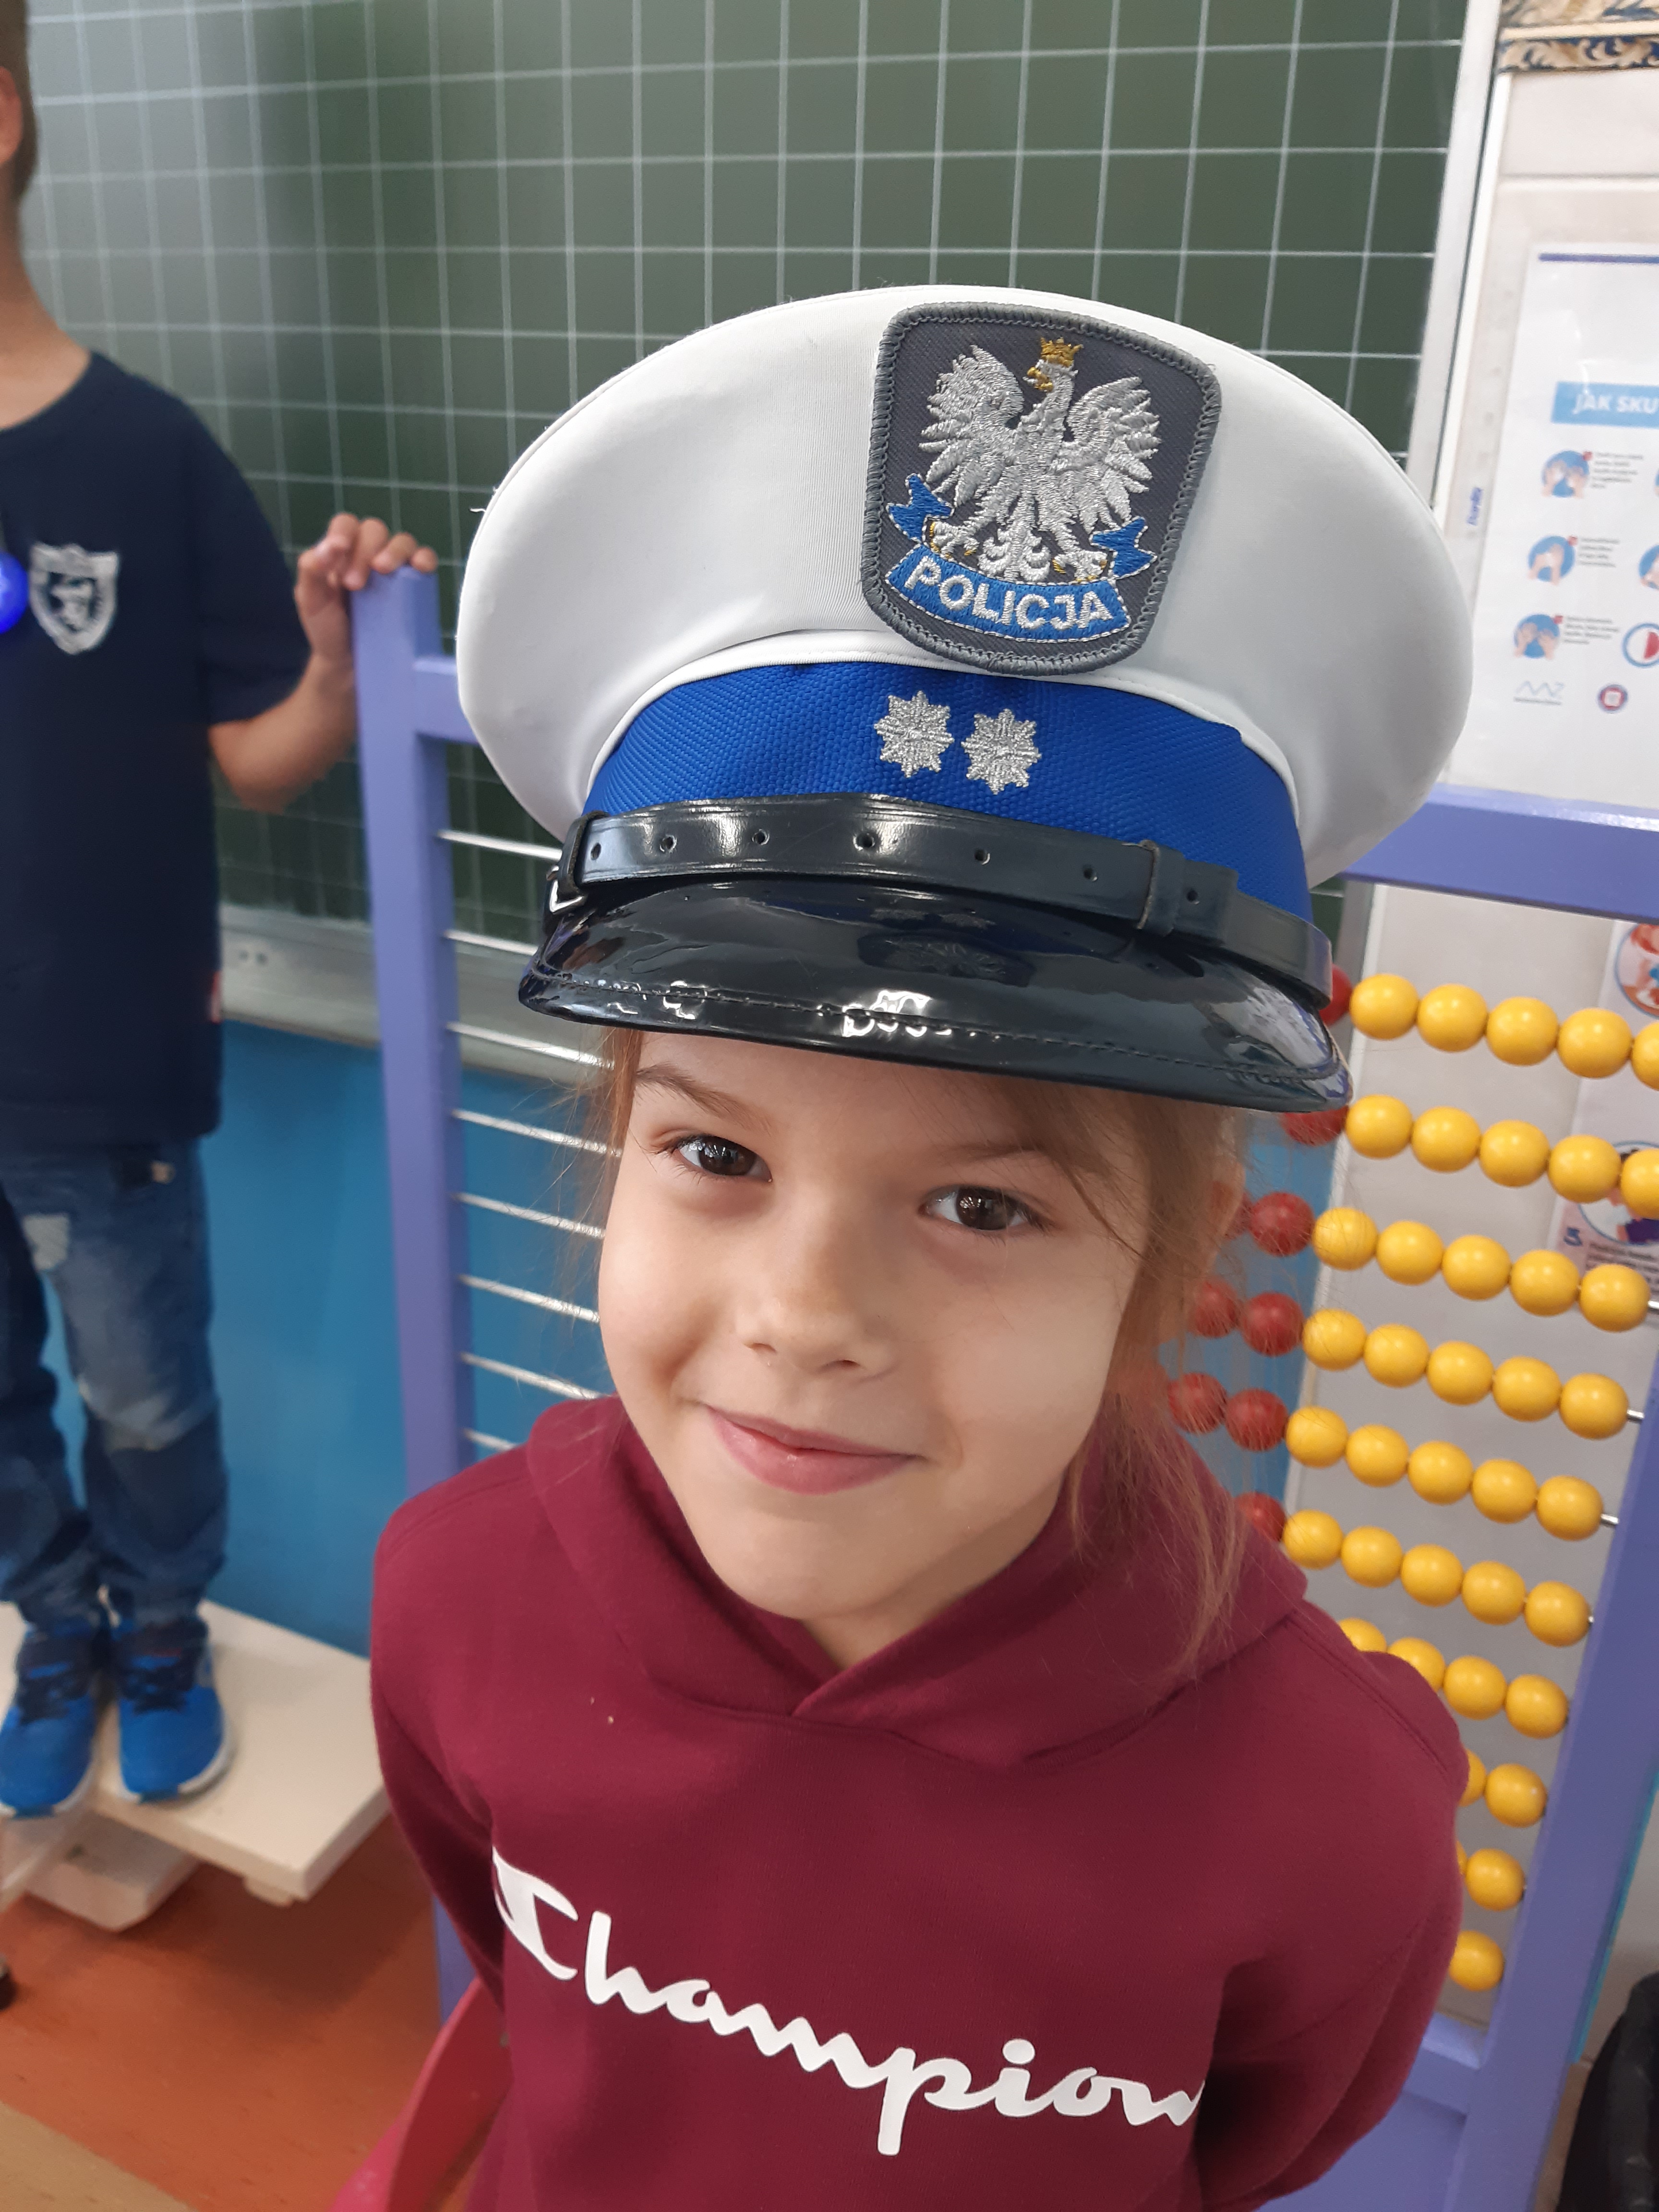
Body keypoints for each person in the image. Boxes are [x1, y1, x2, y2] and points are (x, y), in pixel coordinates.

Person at [372, 289, 1474, 2207]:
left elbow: (1255, 2142)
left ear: (1176, 1251)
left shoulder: (1332, 1812)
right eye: (715, 1150)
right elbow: (522, 1981)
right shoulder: (456, 1604)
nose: (806, 1319)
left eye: (984, 1204)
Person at [0, 5, 434, 1817]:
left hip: (97, 1061)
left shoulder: (146, 454)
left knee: (145, 1392)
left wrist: (332, 666)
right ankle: (54, 1627)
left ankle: (160, 1628)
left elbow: (259, 760)